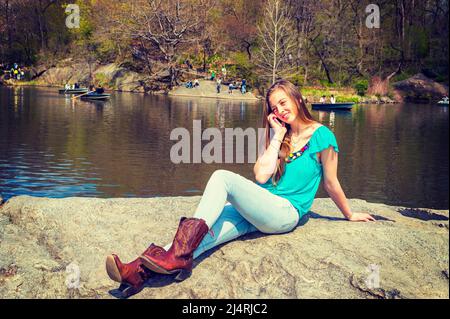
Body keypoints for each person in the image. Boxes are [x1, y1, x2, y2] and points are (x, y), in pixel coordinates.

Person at [105, 79, 375, 297]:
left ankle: (171, 259)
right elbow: (261, 175)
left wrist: (349, 214)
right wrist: (277, 137)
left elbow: (331, 182)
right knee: (205, 235)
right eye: (274, 107)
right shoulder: (279, 136)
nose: (280, 110)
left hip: (284, 214)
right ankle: (137, 273)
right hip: (259, 209)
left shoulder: (322, 135)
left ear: (297, 98)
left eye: (283, 102)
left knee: (223, 177)